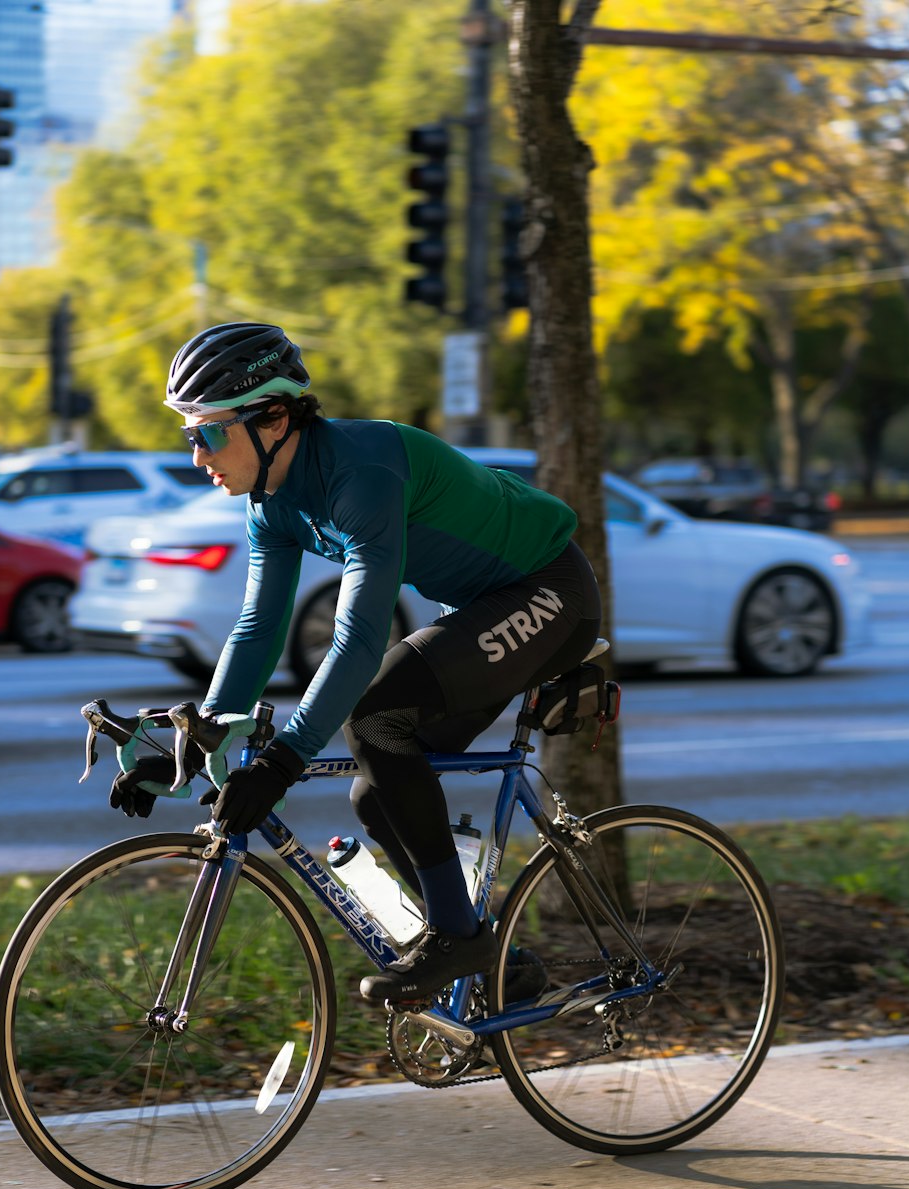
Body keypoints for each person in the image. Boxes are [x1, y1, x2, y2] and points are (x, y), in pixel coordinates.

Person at [110, 322, 601, 1007]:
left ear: (274, 417)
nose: (197, 455)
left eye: (210, 433)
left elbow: (358, 639)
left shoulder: (362, 472)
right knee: (378, 790)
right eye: (189, 435)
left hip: (550, 593)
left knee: (375, 718)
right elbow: (257, 631)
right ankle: (496, 964)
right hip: (486, 603)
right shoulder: (270, 503)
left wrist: (280, 763)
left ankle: (459, 938)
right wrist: (201, 747)